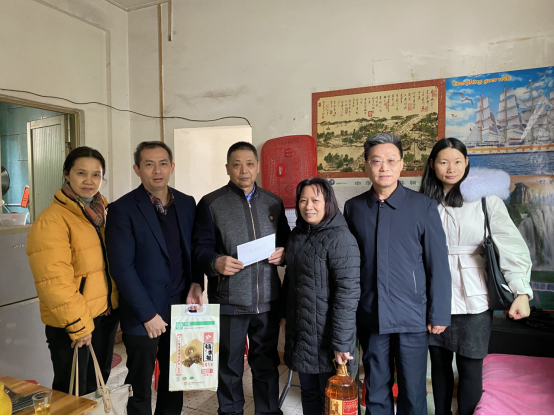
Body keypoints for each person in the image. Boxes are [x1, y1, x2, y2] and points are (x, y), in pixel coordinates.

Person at [420, 138, 532, 415]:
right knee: (439, 367)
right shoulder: (420, 203)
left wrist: (521, 292)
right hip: (433, 296)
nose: (451, 168)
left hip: (475, 297)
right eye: (444, 162)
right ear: (432, 165)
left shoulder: (485, 200)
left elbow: (510, 245)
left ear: (467, 163)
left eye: (457, 161)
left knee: (471, 369)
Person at [344, 133, 451, 415]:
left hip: (412, 316)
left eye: (391, 160)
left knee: (413, 392)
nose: (384, 167)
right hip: (371, 315)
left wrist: (439, 313)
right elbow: (349, 263)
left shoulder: (423, 206)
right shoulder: (354, 208)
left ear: (402, 164)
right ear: (366, 165)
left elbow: (438, 264)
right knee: (375, 388)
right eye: (376, 161)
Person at [105, 141, 204, 415]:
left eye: (162, 164)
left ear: (172, 167)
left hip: (180, 309)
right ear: (137, 169)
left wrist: (196, 282)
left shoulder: (187, 203)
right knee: (139, 385)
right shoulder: (122, 209)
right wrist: (148, 314)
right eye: (149, 164)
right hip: (143, 315)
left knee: (176, 380)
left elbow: (194, 249)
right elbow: (121, 268)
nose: (157, 171)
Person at [193, 141, 291, 415]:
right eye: (236, 165)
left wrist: (284, 253)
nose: (243, 170)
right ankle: (230, 412)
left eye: (249, 164)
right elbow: (199, 248)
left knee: (266, 363)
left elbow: (286, 241)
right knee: (229, 365)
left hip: (266, 301)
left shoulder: (273, 202)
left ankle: (268, 411)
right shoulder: (211, 203)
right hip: (229, 301)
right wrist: (215, 262)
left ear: (257, 166)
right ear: (227, 168)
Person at [27, 147, 119, 396]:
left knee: (96, 387)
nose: (89, 181)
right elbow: (53, 282)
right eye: (81, 173)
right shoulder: (52, 220)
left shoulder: (103, 214)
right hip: (72, 322)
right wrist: (78, 324)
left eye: (96, 174)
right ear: (67, 174)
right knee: (71, 393)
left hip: (104, 314)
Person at [280, 178, 361, 415]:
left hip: (329, 337)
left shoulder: (341, 238)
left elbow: (347, 294)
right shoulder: (297, 235)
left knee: (332, 401)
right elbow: (290, 281)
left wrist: (342, 343)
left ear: (328, 203)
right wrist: (284, 316)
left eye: (315, 200)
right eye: (303, 200)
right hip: (303, 333)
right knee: (309, 393)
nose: (308, 206)